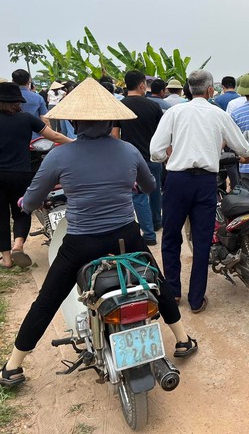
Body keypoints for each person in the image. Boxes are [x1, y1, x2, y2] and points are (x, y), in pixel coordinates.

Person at [0, 78, 197, 388]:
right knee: (154, 280)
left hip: (81, 242)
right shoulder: (128, 151)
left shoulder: (59, 156)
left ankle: (13, 366)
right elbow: (149, 186)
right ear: (110, 121)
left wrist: (25, 203)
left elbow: (34, 199)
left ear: (74, 122)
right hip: (126, 236)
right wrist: (130, 185)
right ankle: (182, 339)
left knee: (47, 299)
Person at [150, 70, 249, 313]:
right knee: (203, 239)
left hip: (176, 181)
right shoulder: (218, 114)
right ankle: (196, 299)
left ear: (188, 89)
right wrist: (245, 156)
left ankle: (173, 292)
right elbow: (243, 147)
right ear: (209, 91)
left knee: (171, 236)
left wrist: (168, 158)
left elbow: (155, 151)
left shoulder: (174, 113)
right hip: (206, 182)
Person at [0, 82, 71, 269]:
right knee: (22, 211)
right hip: (21, 172)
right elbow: (55, 136)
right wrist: (76, 143)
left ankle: (6, 259)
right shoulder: (26, 119)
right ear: (18, 101)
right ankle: (18, 245)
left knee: (1, 216)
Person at [112, 71, 163, 243]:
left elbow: (114, 135)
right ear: (142, 85)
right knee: (155, 191)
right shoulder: (153, 106)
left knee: (139, 195)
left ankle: (148, 233)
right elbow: (161, 134)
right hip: (153, 157)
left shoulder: (120, 106)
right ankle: (157, 222)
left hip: (130, 159)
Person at [12, 69, 49, 137]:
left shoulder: (7, 98)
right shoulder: (38, 98)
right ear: (29, 81)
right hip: (34, 137)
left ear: (13, 81)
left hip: (12, 136)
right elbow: (45, 119)